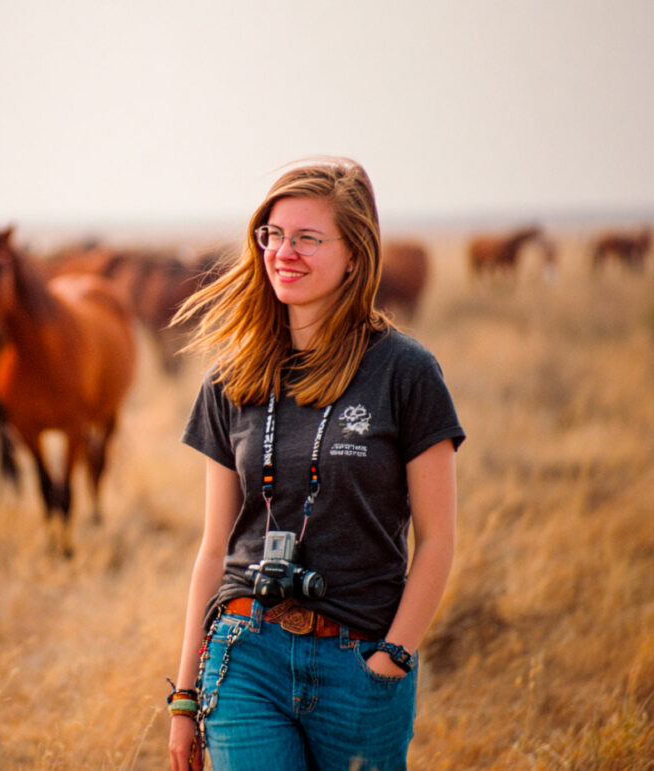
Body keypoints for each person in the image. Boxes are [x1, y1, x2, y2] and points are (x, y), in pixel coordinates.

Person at [166, 157, 465, 771]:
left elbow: (437, 541)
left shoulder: (406, 373)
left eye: (307, 238)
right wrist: (184, 693)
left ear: (355, 254)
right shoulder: (231, 377)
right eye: (272, 235)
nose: (284, 252)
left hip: (358, 663)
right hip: (245, 654)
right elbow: (214, 546)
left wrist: (393, 660)